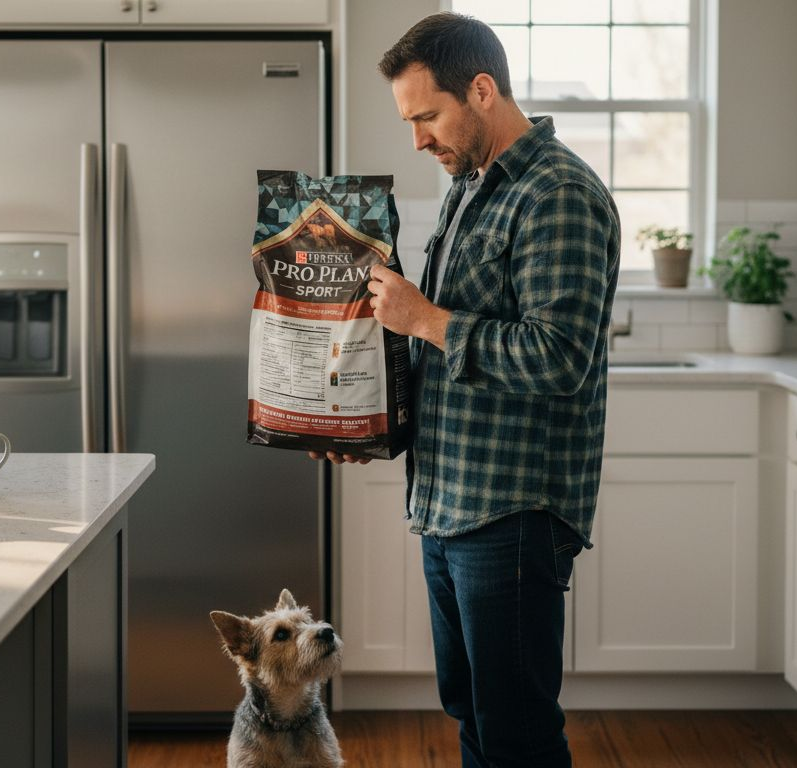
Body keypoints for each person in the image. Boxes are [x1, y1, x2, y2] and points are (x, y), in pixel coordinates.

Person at [311, 11, 619, 768]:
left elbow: (558, 357)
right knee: (473, 713)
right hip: (450, 501)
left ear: (482, 90)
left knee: (516, 730)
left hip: (513, 509)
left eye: (427, 117)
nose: (418, 140)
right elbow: (447, 353)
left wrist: (424, 316)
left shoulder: (556, 194)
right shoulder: (471, 185)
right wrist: (373, 429)